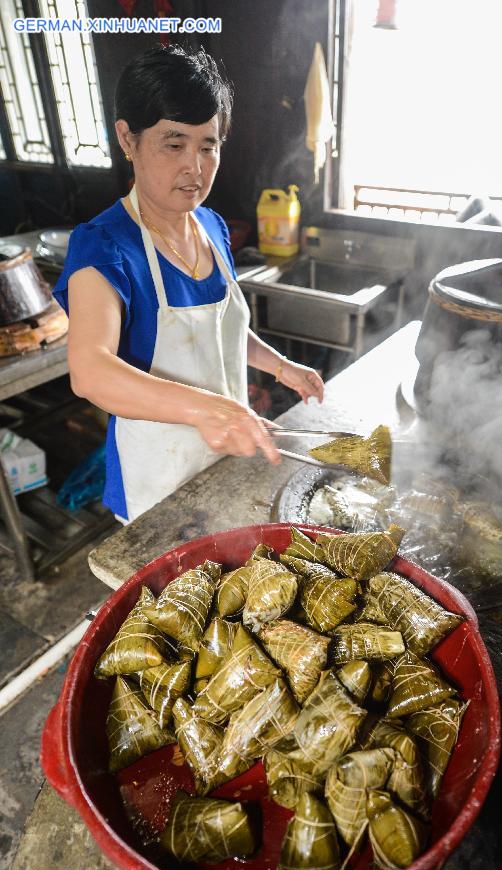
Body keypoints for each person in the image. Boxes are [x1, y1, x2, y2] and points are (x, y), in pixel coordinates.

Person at [54, 44, 324, 523]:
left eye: (209, 145)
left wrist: (279, 366)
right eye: (174, 144)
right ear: (127, 139)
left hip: (226, 463)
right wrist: (209, 410)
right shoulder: (103, 246)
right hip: (158, 483)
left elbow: (219, 330)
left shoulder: (213, 228)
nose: (195, 168)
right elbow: (90, 371)